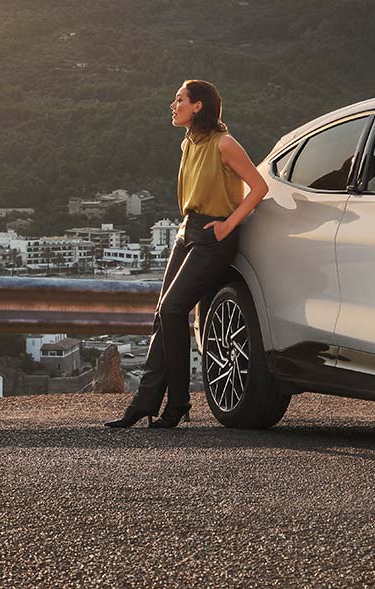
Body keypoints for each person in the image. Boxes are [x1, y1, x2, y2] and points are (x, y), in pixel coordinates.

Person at [107, 79, 269, 429]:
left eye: (179, 99)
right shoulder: (187, 144)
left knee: (172, 308)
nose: (173, 104)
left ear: (198, 106)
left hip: (213, 236)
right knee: (162, 315)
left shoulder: (224, 144)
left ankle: (177, 404)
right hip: (187, 231)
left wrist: (229, 226)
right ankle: (144, 403)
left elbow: (259, 187)